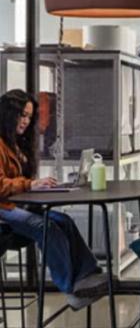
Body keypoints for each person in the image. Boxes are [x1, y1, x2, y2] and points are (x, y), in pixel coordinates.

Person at [0, 89, 108, 310]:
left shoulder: (15, 143)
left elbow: (17, 180)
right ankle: (71, 289)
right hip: (3, 208)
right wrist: (30, 184)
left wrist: (38, 186)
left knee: (63, 221)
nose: (26, 121)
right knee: (45, 226)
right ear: (8, 114)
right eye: (22, 115)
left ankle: (89, 275)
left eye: (29, 117)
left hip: (15, 203)